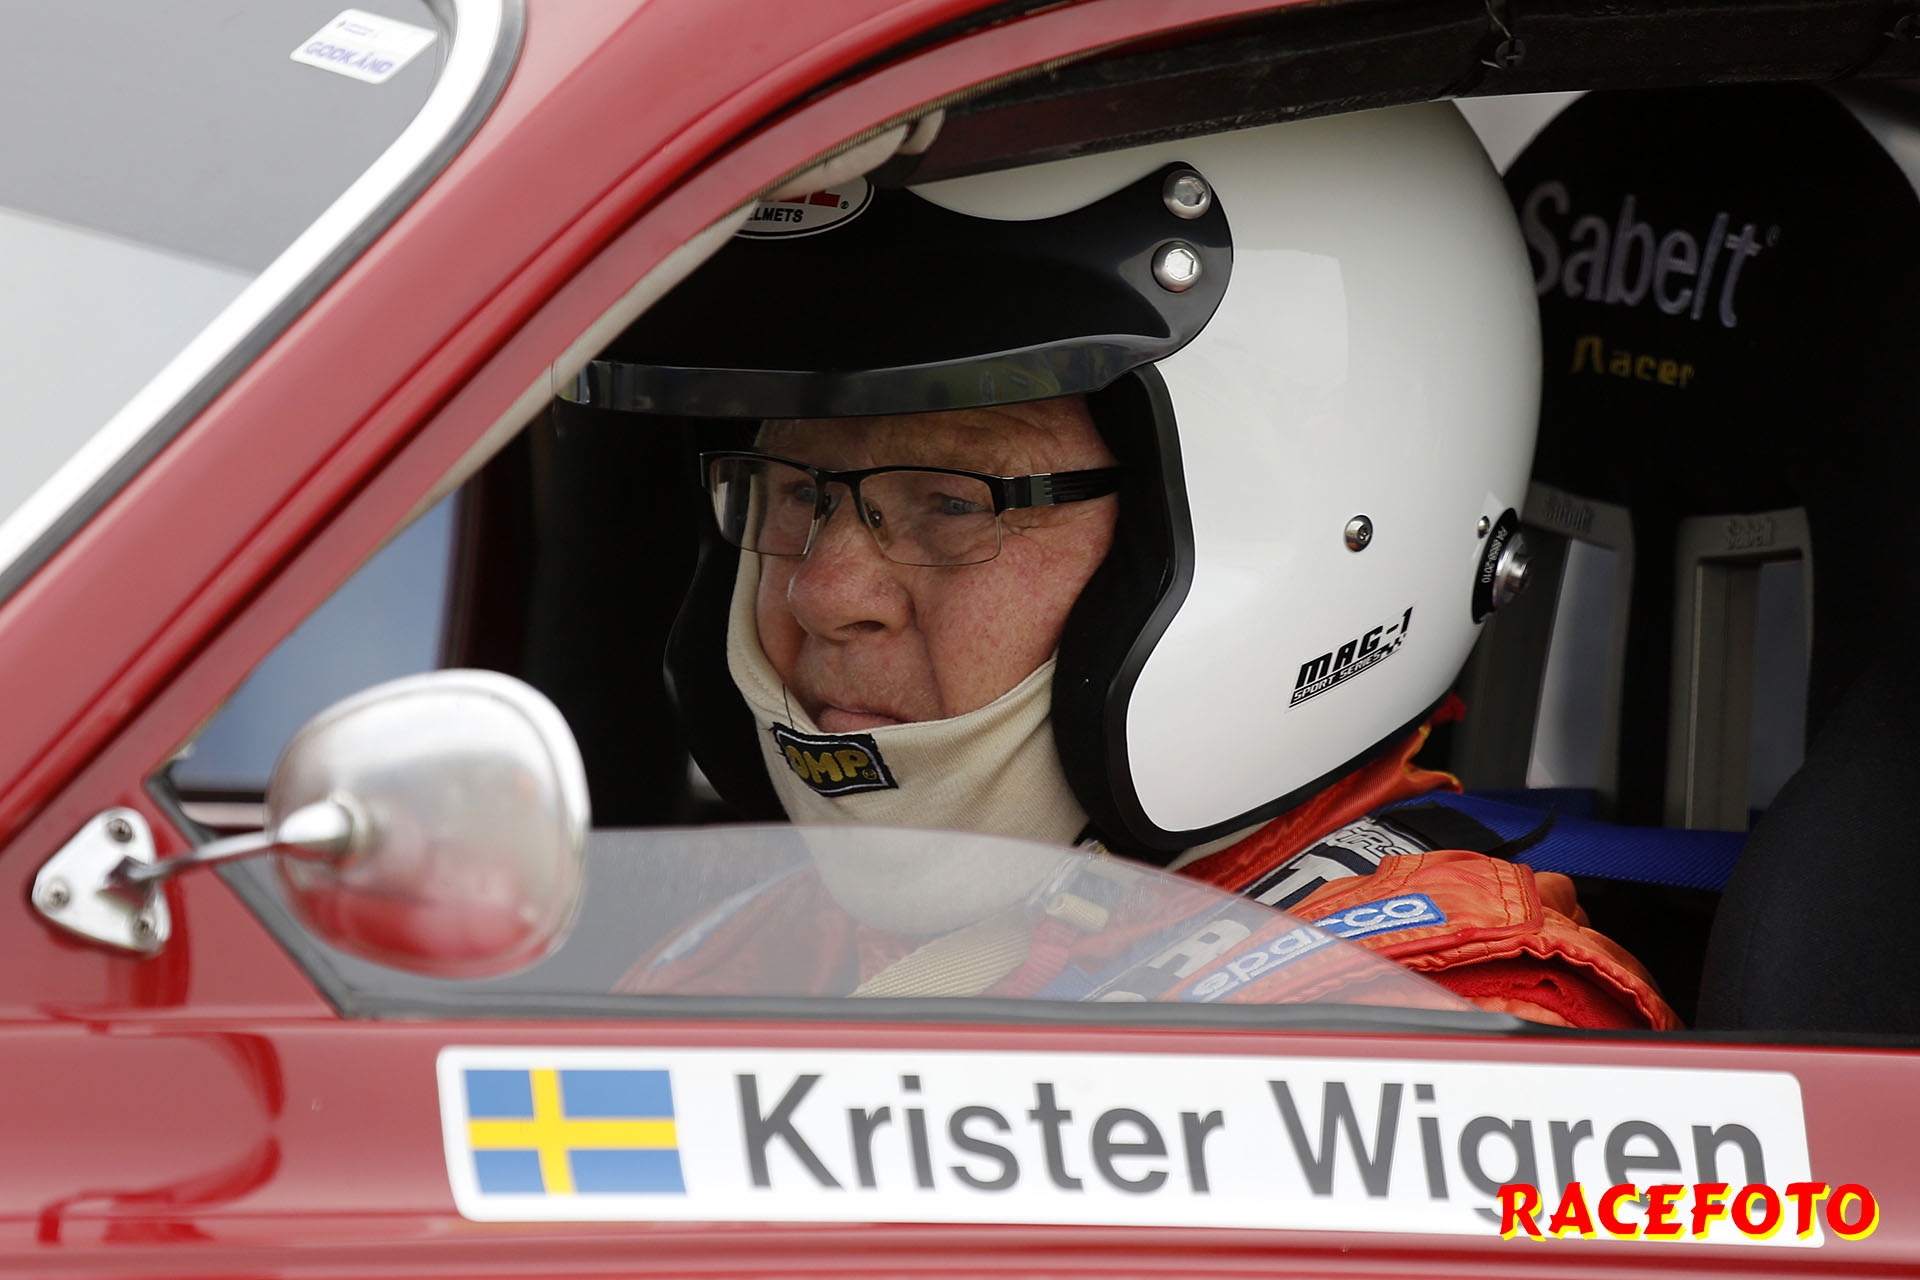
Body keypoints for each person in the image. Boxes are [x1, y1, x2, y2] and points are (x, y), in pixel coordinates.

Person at [578, 101, 1678, 1028]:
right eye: (791, 490)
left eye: (951, 504)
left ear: (1300, 531)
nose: (822, 594)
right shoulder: (761, 949)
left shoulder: (1430, 1040)